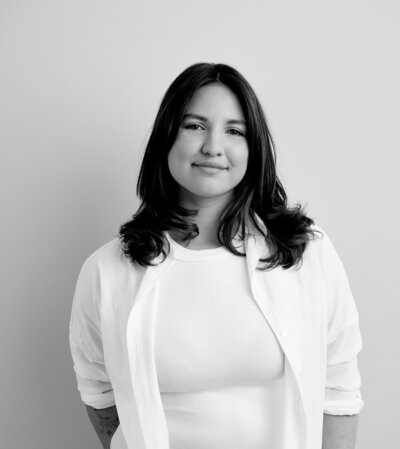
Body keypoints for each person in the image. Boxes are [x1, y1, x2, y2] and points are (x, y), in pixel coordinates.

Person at [69, 62, 365, 449]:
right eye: (194, 126)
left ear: (252, 147)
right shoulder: (106, 271)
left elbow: (338, 388)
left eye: (234, 130)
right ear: (166, 138)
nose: (213, 147)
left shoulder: (306, 253)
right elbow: (99, 391)